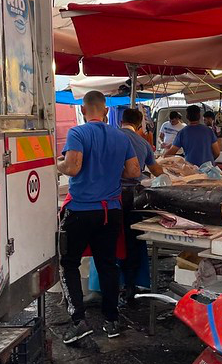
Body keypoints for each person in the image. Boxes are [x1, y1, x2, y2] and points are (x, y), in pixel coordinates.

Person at [58, 91, 140, 343]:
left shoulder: (78, 133)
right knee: (107, 263)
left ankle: (78, 320)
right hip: (111, 211)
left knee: (68, 263)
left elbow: (72, 167)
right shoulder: (121, 136)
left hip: (81, 209)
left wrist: (57, 163)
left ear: (83, 110)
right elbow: (135, 171)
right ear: (105, 111)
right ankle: (112, 320)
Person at [119, 108, 164, 300]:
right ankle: (130, 286)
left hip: (109, 197)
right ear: (139, 126)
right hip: (133, 198)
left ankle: (109, 287)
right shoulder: (143, 143)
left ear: (121, 120)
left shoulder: (112, 135)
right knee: (133, 241)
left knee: (109, 240)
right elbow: (157, 171)